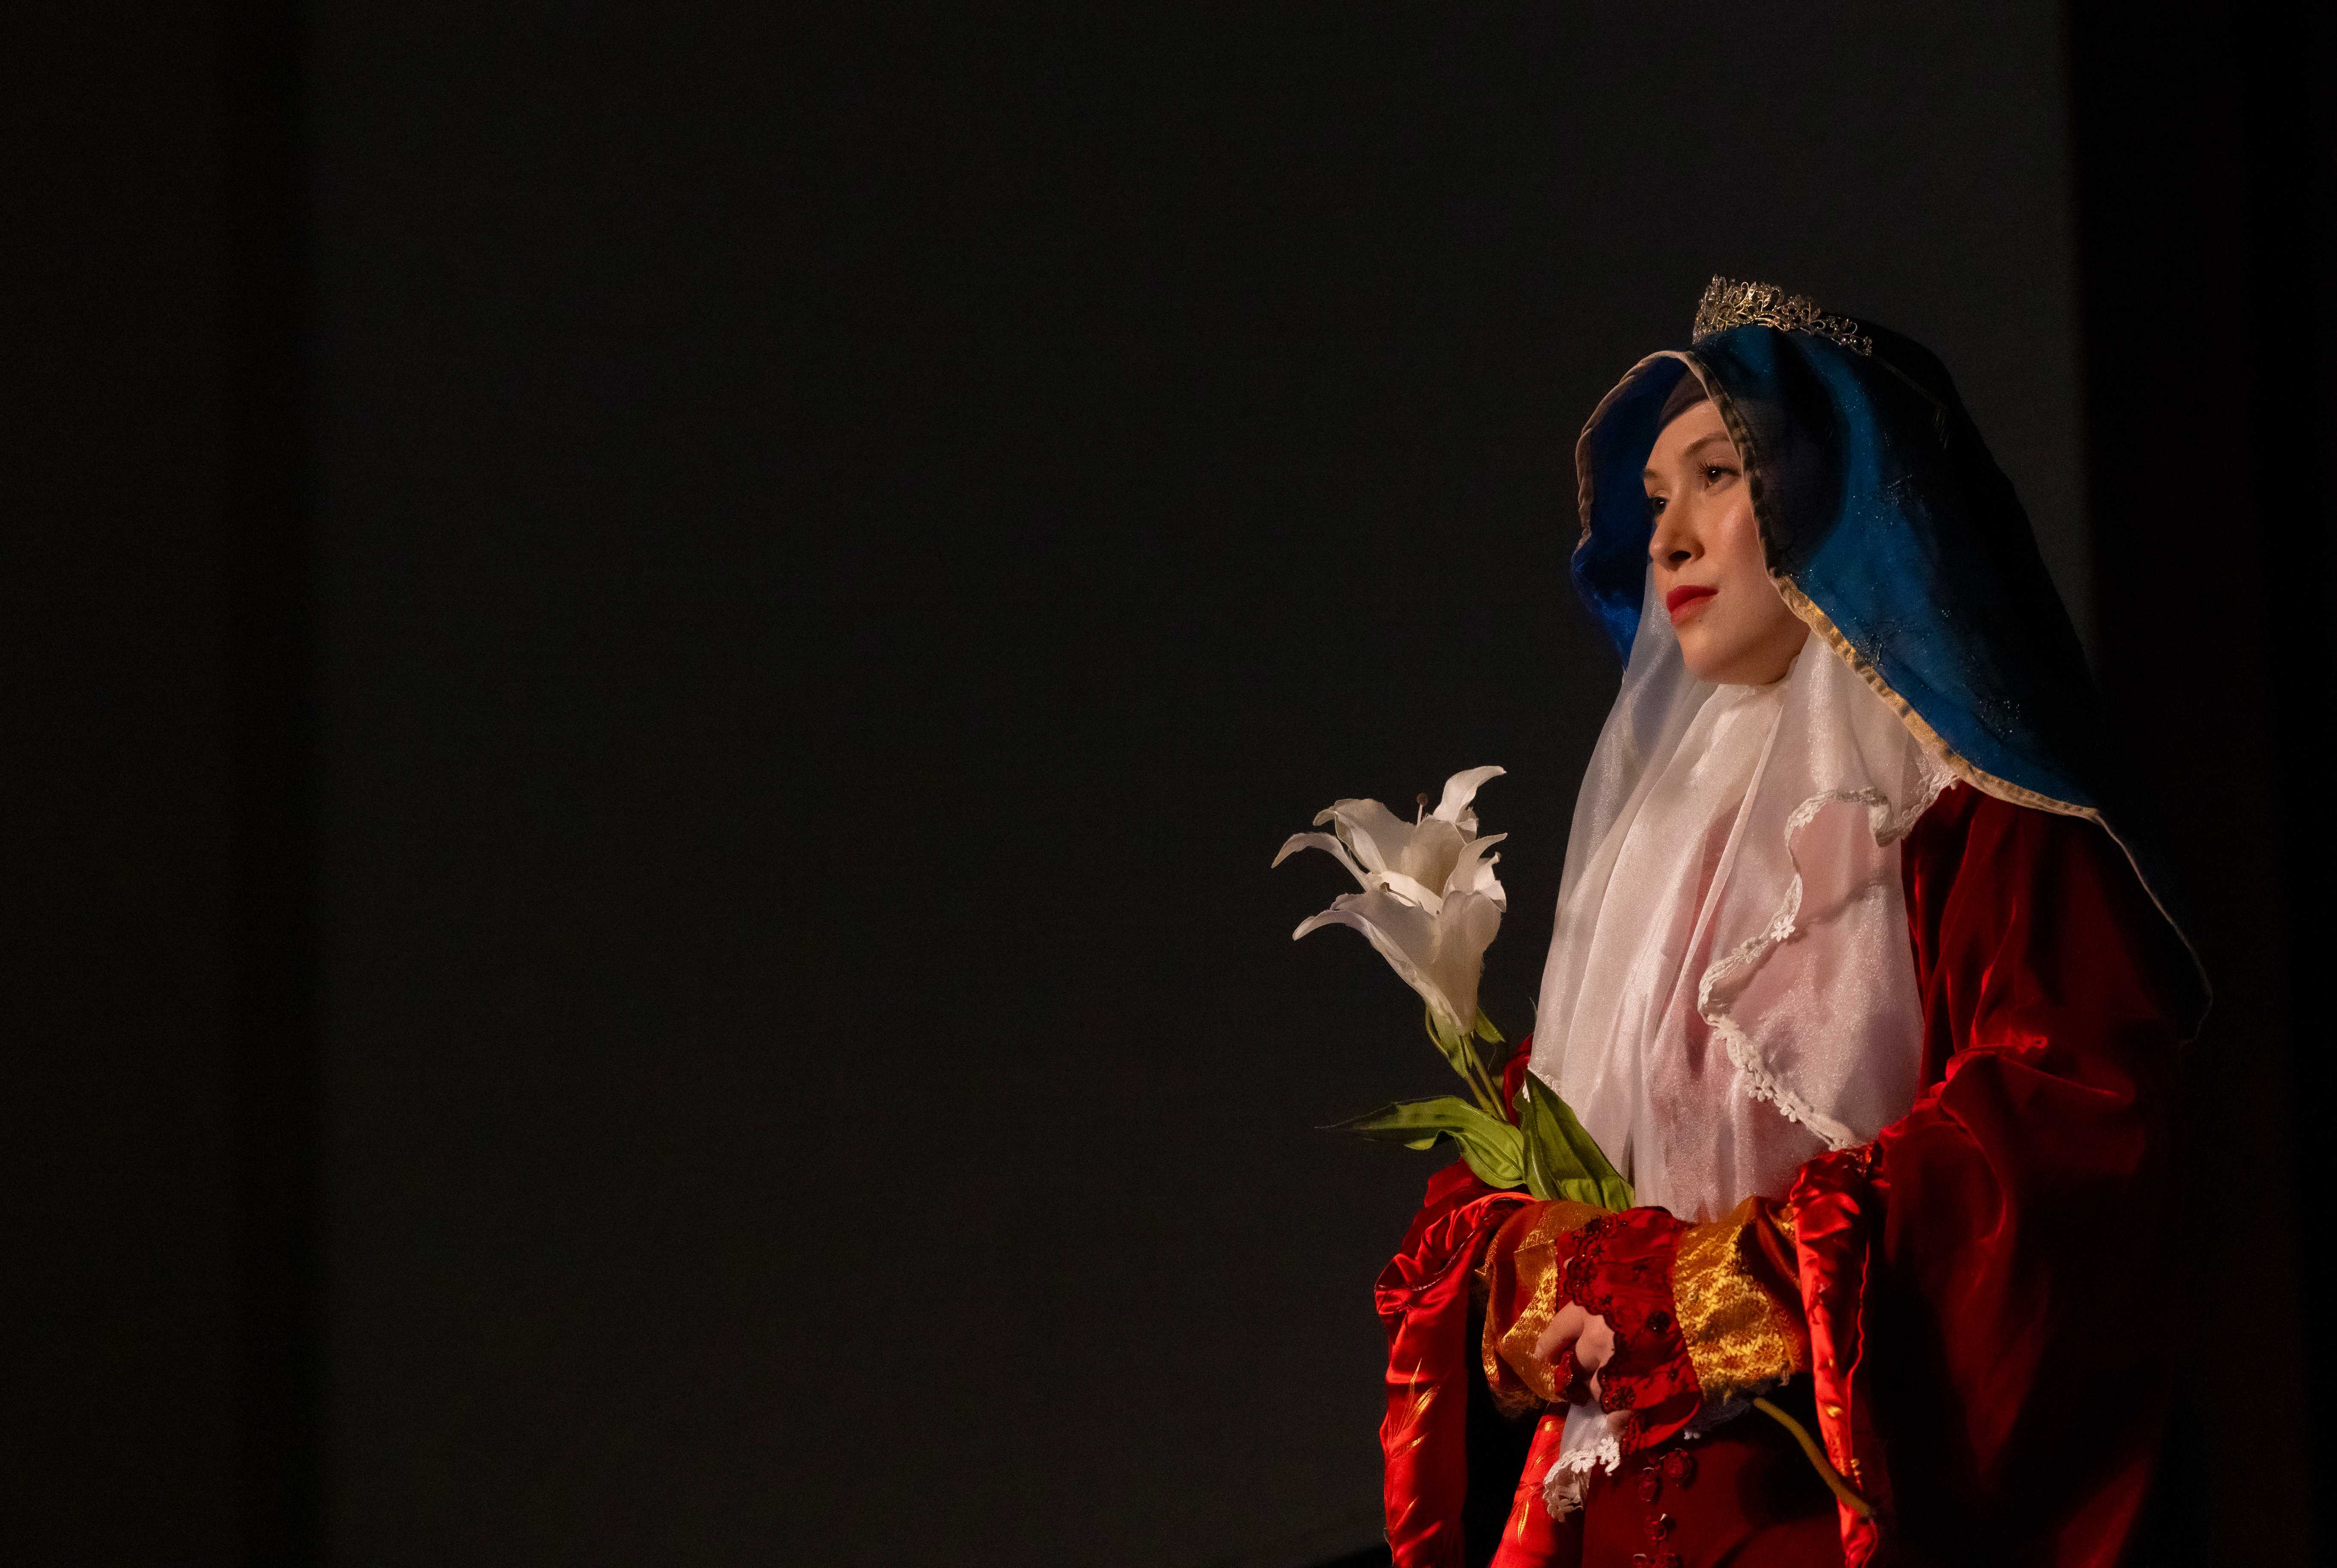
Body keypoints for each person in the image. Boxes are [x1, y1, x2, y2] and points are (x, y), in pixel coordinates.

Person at [1372, 280, 2206, 1568]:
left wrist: (1716, 1288)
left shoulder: (1971, 814)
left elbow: (2066, 1124)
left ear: (1844, 497)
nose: (1667, 542)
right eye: (1656, 499)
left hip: (1831, 1507)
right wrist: (1538, 1267)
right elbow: (1550, 1152)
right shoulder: (1663, 838)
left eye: (1717, 476)